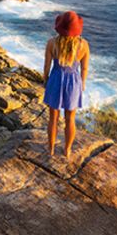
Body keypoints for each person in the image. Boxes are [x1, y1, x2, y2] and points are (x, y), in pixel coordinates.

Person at [42, 11, 90, 158]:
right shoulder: (83, 45)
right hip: (73, 82)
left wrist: (46, 81)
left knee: (53, 118)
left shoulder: (52, 43)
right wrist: (82, 84)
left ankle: (50, 149)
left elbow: (47, 66)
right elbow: (85, 68)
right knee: (70, 119)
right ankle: (67, 150)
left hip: (56, 79)